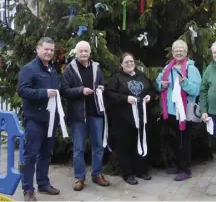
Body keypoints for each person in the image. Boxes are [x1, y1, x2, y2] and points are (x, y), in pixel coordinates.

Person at [61, 41, 110, 191]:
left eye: (86, 51)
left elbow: (102, 83)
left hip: (95, 113)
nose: (83, 53)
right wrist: (80, 90)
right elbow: (64, 90)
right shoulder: (70, 69)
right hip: (78, 115)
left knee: (98, 146)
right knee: (78, 149)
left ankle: (97, 174)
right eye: (81, 51)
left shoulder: (96, 67)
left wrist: (101, 88)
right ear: (76, 53)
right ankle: (80, 178)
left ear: (90, 53)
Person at [18, 37, 60, 202]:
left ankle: (43, 184)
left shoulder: (52, 70)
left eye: (51, 50)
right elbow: (22, 91)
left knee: (45, 154)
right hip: (34, 120)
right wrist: (43, 93)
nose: (49, 52)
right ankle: (28, 190)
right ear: (38, 49)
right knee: (30, 156)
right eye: (46, 49)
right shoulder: (29, 69)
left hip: (49, 120)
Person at [156, 39, 201, 181]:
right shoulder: (167, 68)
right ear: (172, 53)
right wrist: (161, 84)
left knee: (184, 141)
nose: (178, 52)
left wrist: (185, 82)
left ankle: (185, 170)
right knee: (176, 140)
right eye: (176, 50)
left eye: (181, 50)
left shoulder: (191, 68)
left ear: (186, 52)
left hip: (185, 111)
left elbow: (196, 90)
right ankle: (178, 165)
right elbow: (158, 84)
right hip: (171, 111)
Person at [107, 53, 153, 185]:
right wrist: (125, 98)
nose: (129, 64)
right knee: (125, 146)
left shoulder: (141, 76)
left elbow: (150, 90)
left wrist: (149, 96)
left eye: (131, 61)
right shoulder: (116, 78)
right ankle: (127, 173)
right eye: (126, 62)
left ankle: (140, 170)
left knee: (140, 142)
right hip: (124, 119)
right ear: (121, 64)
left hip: (141, 117)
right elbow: (110, 94)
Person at [200, 42, 216, 129]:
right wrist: (204, 111)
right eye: (214, 52)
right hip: (213, 113)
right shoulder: (209, 69)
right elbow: (203, 90)